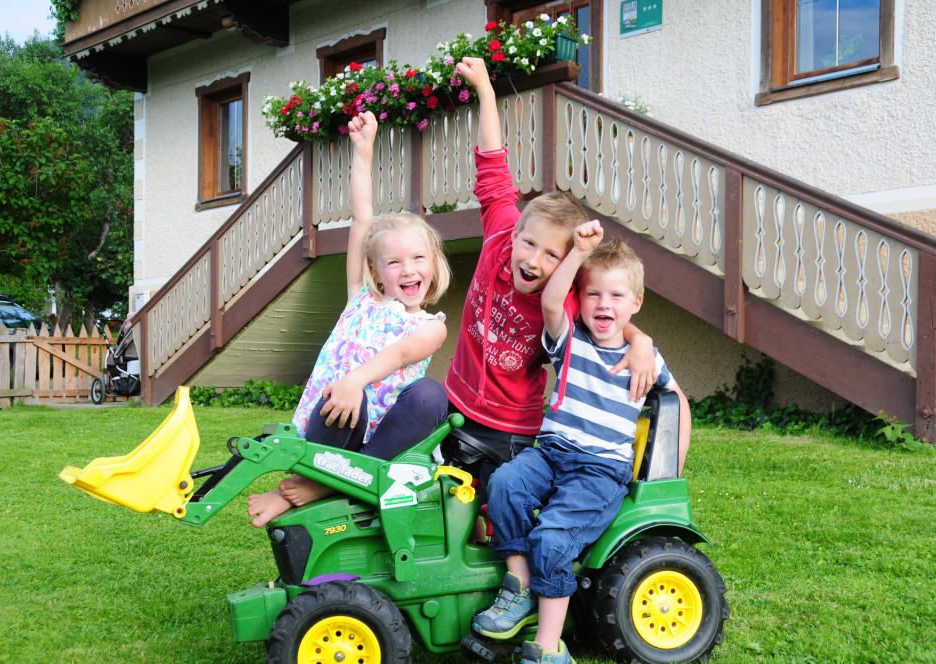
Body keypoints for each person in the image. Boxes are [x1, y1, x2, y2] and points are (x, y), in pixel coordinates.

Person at [472, 224, 691, 664]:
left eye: (616, 296)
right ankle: (519, 586)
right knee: (504, 484)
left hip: (600, 470)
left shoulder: (645, 358)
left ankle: (549, 646)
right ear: (580, 296)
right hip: (552, 455)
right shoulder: (569, 340)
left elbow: (677, 401)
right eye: (593, 294)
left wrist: (672, 467)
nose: (603, 304)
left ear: (636, 302)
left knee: (553, 538)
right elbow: (551, 301)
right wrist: (578, 251)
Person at [444, 57, 658, 502]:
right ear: (515, 232)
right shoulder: (501, 232)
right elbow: (492, 164)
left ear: (565, 265)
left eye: (551, 256)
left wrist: (640, 341)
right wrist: (485, 90)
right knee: (444, 508)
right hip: (456, 403)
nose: (534, 260)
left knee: (498, 511)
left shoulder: (564, 299)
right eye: (529, 244)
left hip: (512, 427)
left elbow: (605, 314)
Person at [248, 111, 451, 527]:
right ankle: (318, 478)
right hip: (337, 428)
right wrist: (363, 151)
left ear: (433, 262)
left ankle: (324, 485)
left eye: (418, 258)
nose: (408, 270)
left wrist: (355, 379)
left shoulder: (432, 326)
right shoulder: (361, 298)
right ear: (375, 270)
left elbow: (400, 355)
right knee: (346, 397)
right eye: (394, 262)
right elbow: (361, 220)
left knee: (431, 395)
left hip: (383, 444)